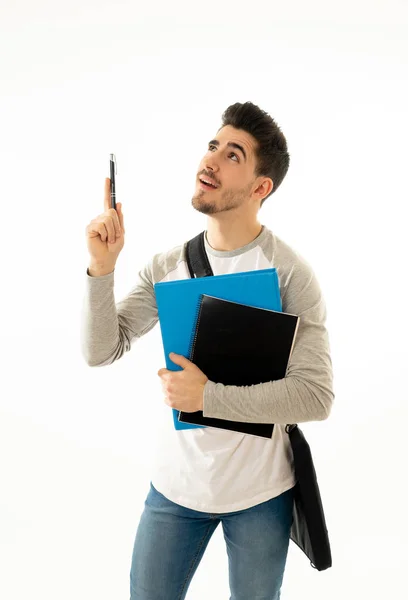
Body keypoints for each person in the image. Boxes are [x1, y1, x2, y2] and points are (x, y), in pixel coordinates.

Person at [81, 101, 334, 600]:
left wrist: (207, 398)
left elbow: (316, 395)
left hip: (263, 496)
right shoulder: (166, 265)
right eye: (212, 145)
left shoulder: (288, 274)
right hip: (175, 490)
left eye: (233, 154)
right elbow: (101, 350)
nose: (211, 160)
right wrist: (101, 268)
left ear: (261, 187)